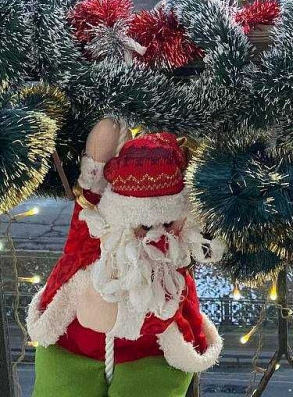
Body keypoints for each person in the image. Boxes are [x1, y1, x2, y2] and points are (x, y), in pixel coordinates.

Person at [28, 122, 226, 396]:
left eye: (168, 224)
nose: (156, 237)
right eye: (144, 227)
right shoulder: (97, 224)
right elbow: (90, 188)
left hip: (152, 357)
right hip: (73, 349)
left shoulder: (177, 249)